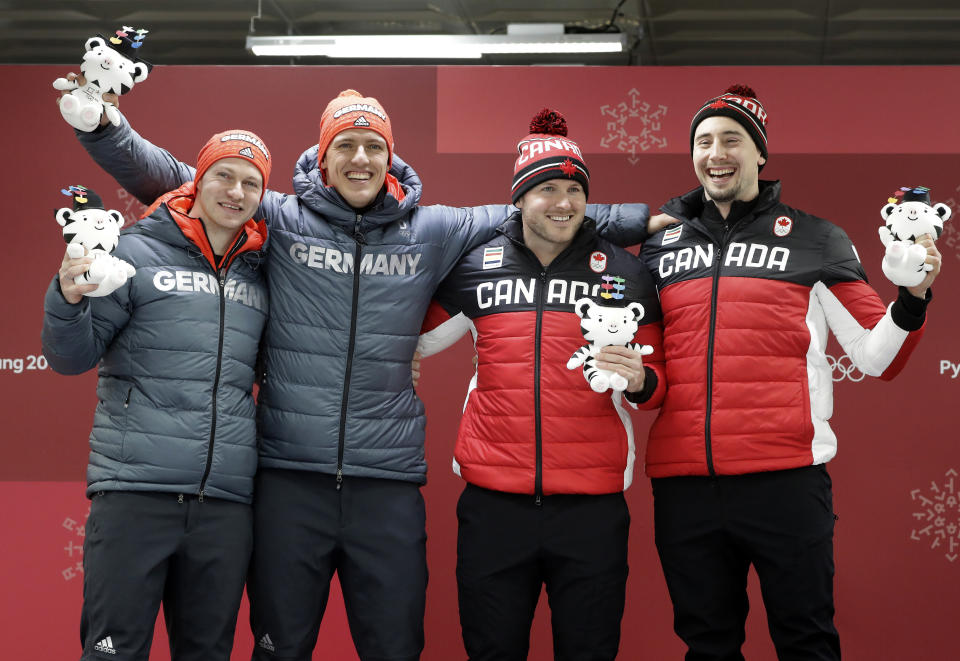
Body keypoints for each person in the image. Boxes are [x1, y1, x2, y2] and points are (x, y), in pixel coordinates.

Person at [66, 85, 657, 660]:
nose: (360, 158)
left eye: (373, 146)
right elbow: (177, 179)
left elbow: (541, 206)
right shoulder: (280, 217)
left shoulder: (432, 228)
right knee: (281, 647)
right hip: (289, 479)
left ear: (391, 158)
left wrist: (638, 220)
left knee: (395, 647)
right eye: (345, 145)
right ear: (323, 158)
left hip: (387, 483)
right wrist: (103, 128)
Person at [638, 84, 941, 660]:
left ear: (759, 153)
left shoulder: (817, 237)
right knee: (706, 645)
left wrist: (914, 297)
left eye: (732, 139)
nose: (716, 153)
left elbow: (879, 357)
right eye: (703, 141)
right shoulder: (660, 245)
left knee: (805, 642)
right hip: (684, 485)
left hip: (785, 481)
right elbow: (647, 378)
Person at [417, 109, 667, 661]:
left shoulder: (625, 272)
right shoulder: (475, 265)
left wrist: (643, 380)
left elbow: (658, 386)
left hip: (592, 509)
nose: (563, 202)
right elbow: (415, 338)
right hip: (493, 506)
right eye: (547, 188)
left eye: (575, 189)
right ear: (519, 199)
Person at [42, 130, 272, 661]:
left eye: (250, 183)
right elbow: (71, 357)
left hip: (224, 505)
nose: (235, 192)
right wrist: (67, 296)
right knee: (112, 653)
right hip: (134, 494)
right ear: (197, 180)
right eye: (223, 176)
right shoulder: (133, 252)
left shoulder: (262, 271)